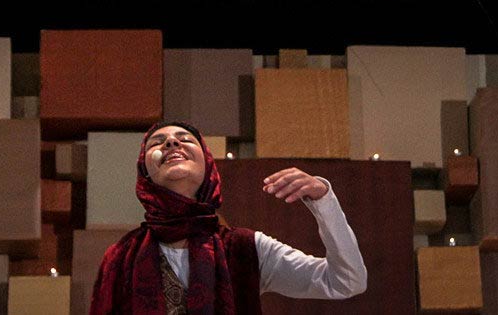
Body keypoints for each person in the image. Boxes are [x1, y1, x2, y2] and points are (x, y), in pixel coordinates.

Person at [89, 121, 367, 314]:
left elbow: (346, 281)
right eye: (158, 142)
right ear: (145, 173)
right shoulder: (120, 257)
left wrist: (323, 200)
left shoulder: (246, 248)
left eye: (185, 139)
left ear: (208, 166)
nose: (172, 142)